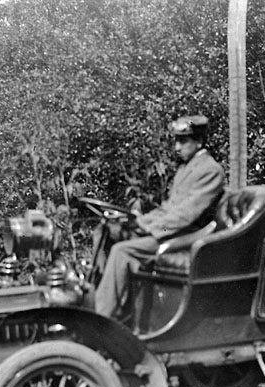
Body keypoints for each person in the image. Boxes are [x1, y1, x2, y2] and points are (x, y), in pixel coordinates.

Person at [94, 114, 225, 319]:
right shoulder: (186, 169)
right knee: (107, 231)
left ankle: (101, 320)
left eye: (183, 141)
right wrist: (139, 221)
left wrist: (149, 228)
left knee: (122, 251)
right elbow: (168, 209)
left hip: (185, 237)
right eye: (176, 141)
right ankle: (103, 302)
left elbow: (185, 216)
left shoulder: (210, 171)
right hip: (171, 232)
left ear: (199, 142)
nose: (177, 147)